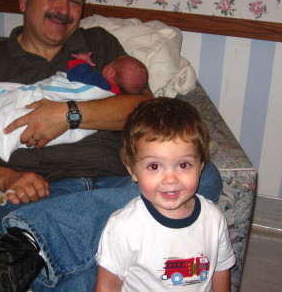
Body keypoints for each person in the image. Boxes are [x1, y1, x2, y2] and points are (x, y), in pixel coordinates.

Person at [0, 0, 223, 291]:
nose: (63, 9)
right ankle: (43, 236)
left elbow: (144, 109)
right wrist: (7, 177)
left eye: (74, 1)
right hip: (44, 193)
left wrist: (68, 114)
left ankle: (31, 240)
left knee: (203, 176)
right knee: (90, 269)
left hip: (123, 183)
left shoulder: (99, 44)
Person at [95, 97, 235, 292]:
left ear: (201, 166)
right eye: (154, 166)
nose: (170, 179)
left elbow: (220, 270)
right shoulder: (123, 227)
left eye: (183, 165)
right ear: (133, 170)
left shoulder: (213, 218)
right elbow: (107, 286)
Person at [0, 53, 148, 163]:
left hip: (110, 176)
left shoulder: (99, 82)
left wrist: (81, 61)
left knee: (20, 109)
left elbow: (77, 76)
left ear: (111, 73)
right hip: (40, 182)